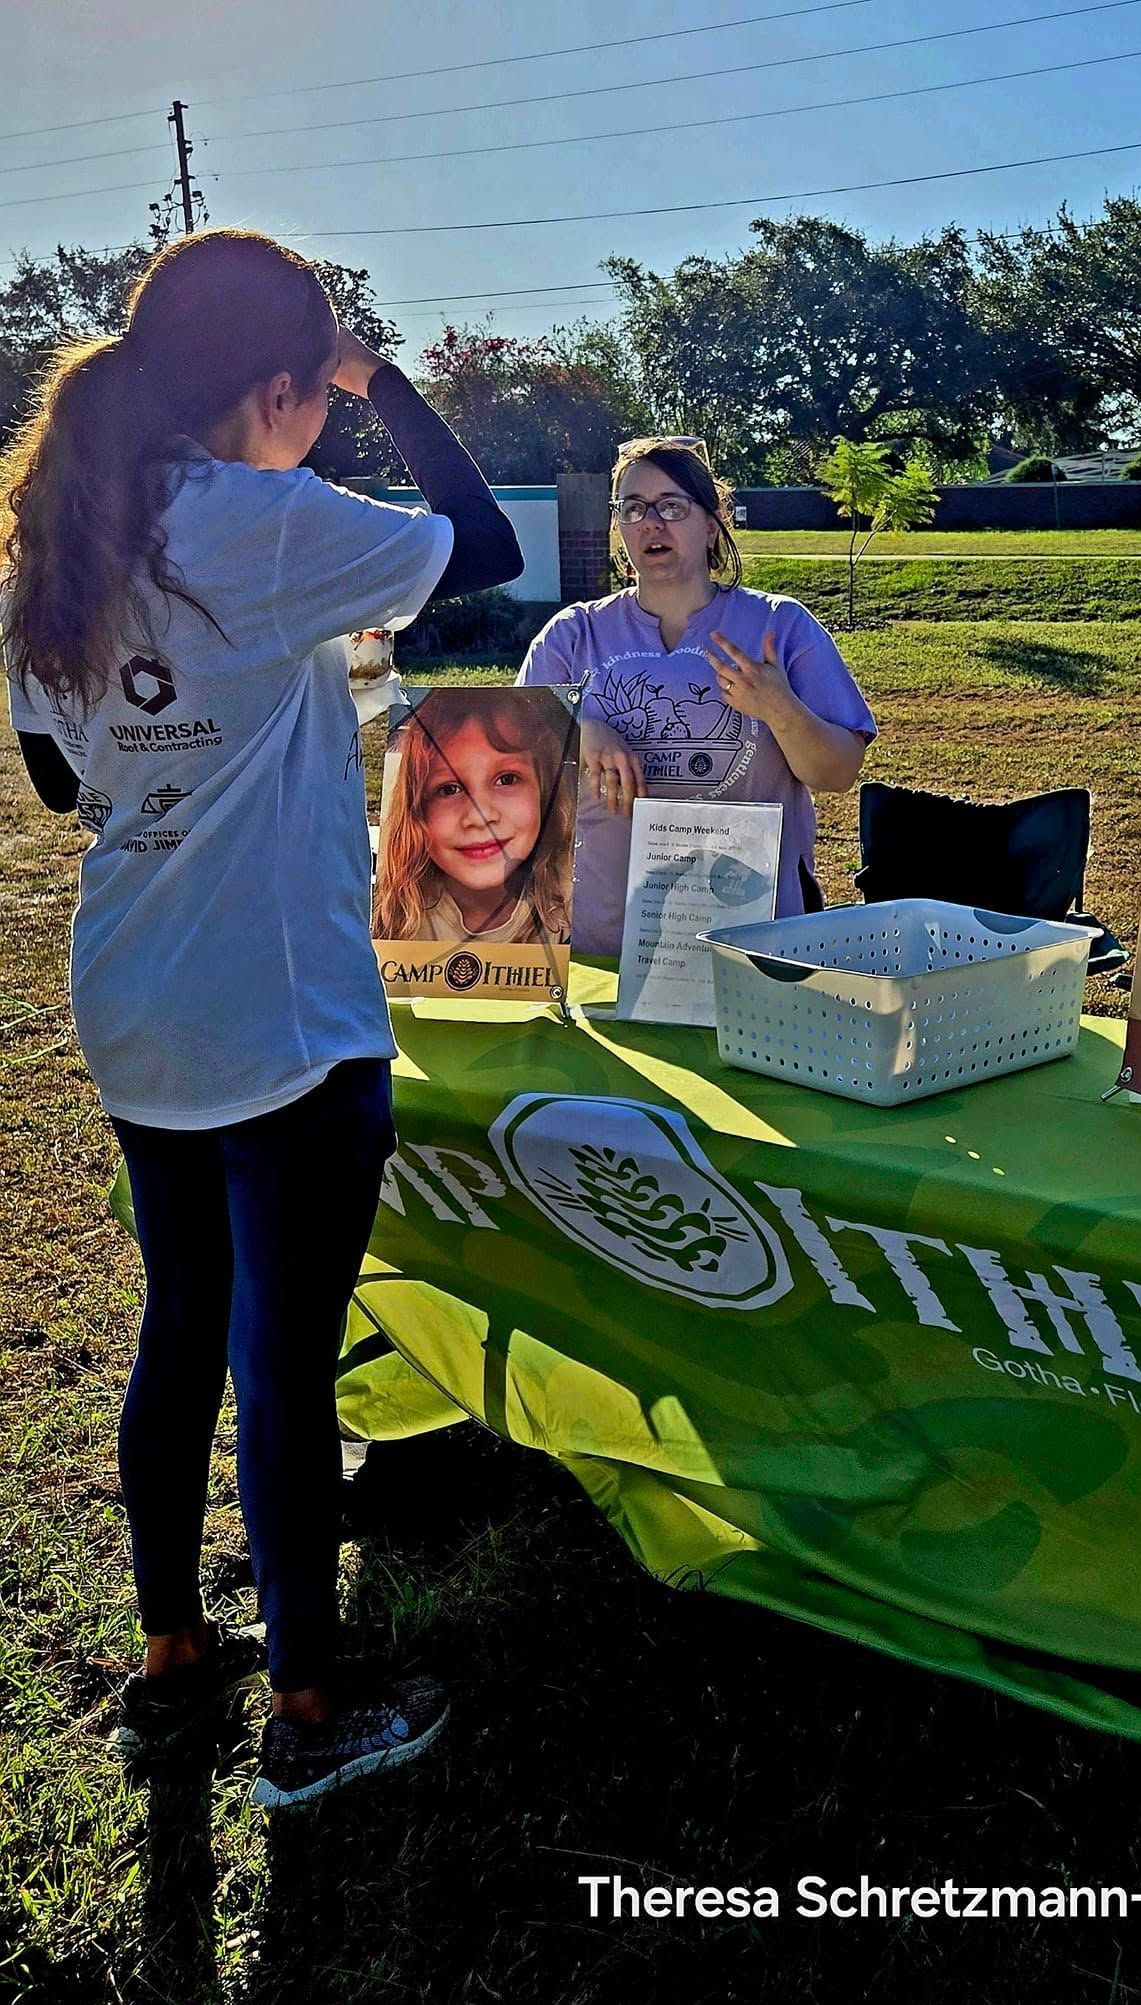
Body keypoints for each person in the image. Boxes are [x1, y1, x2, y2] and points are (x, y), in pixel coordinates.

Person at [1, 228, 523, 1802]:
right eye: (313, 394)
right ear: (285, 390)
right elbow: (485, 545)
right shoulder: (263, 520)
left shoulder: (63, 534)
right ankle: (305, 1716)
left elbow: (55, 778)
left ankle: (174, 1656)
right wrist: (392, 386)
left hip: (136, 994)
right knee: (282, 1364)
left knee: (178, 1330)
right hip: (282, 1011)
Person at [515, 436, 874, 955]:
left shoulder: (779, 625)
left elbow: (837, 774)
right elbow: (514, 761)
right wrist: (578, 729)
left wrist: (779, 708)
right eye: (633, 507)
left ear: (711, 524)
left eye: (672, 505)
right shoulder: (572, 635)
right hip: (600, 939)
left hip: (753, 939)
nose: (651, 522)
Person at [373, 689, 577, 948]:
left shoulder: (570, 897)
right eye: (449, 789)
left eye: (507, 779)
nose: (480, 818)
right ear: (416, 811)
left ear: (545, 790)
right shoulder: (399, 912)